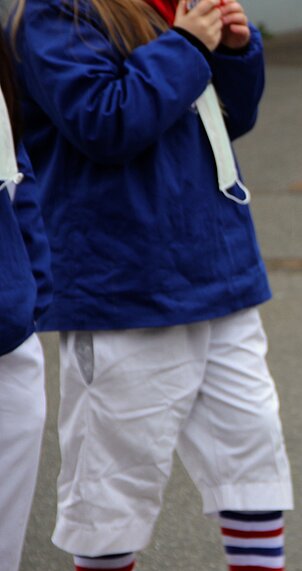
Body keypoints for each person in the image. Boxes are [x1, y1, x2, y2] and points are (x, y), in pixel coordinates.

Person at [10, 0, 292, 569]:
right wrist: (187, 44)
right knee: (112, 491)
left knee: (252, 465)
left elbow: (227, 117)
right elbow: (104, 121)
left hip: (220, 272)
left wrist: (235, 52)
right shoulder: (50, 13)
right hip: (123, 289)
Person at [0, 26, 51, 571]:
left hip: (12, 333)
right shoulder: (54, 14)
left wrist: (28, 290)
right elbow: (104, 121)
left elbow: (15, 174)